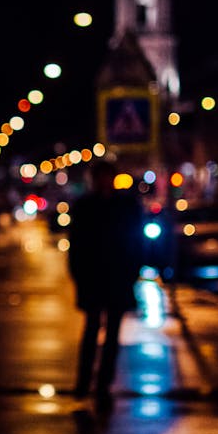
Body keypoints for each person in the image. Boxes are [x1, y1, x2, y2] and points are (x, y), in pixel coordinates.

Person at [67, 159, 145, 402]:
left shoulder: (126, 205)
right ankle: (83, 382)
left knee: (112, 335)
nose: (104, 181)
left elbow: (135, 242)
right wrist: (78, 275)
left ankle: (103, 383)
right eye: (100, 177)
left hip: (118, 279)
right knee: (91, 331)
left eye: (107, 176)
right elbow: (77, 245)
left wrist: (132, 272)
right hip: (93, 278)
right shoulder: (85, 206)